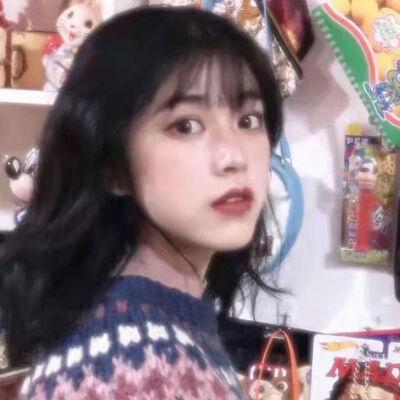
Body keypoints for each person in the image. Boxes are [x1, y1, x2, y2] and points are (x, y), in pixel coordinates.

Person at [0, 5, 282, 399]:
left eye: (248, 120)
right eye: (186, 126)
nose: (234, 155)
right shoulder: (136, 366)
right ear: (113, 167)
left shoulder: (155, 323)